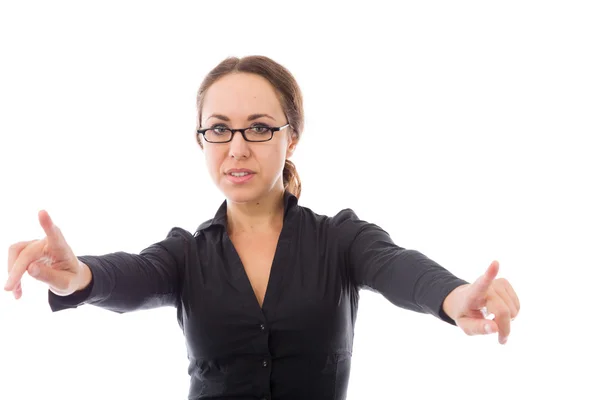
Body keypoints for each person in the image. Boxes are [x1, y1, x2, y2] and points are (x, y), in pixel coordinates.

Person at [5, 55, 520, 400]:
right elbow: (131, 276)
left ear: (291, 137)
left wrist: (453, 297)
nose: (237, 146)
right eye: (219, 129)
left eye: (258, 127)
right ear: (201, 138)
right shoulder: (186, 254)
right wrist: (77, 277)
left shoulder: (339, 240)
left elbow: (399, 267)